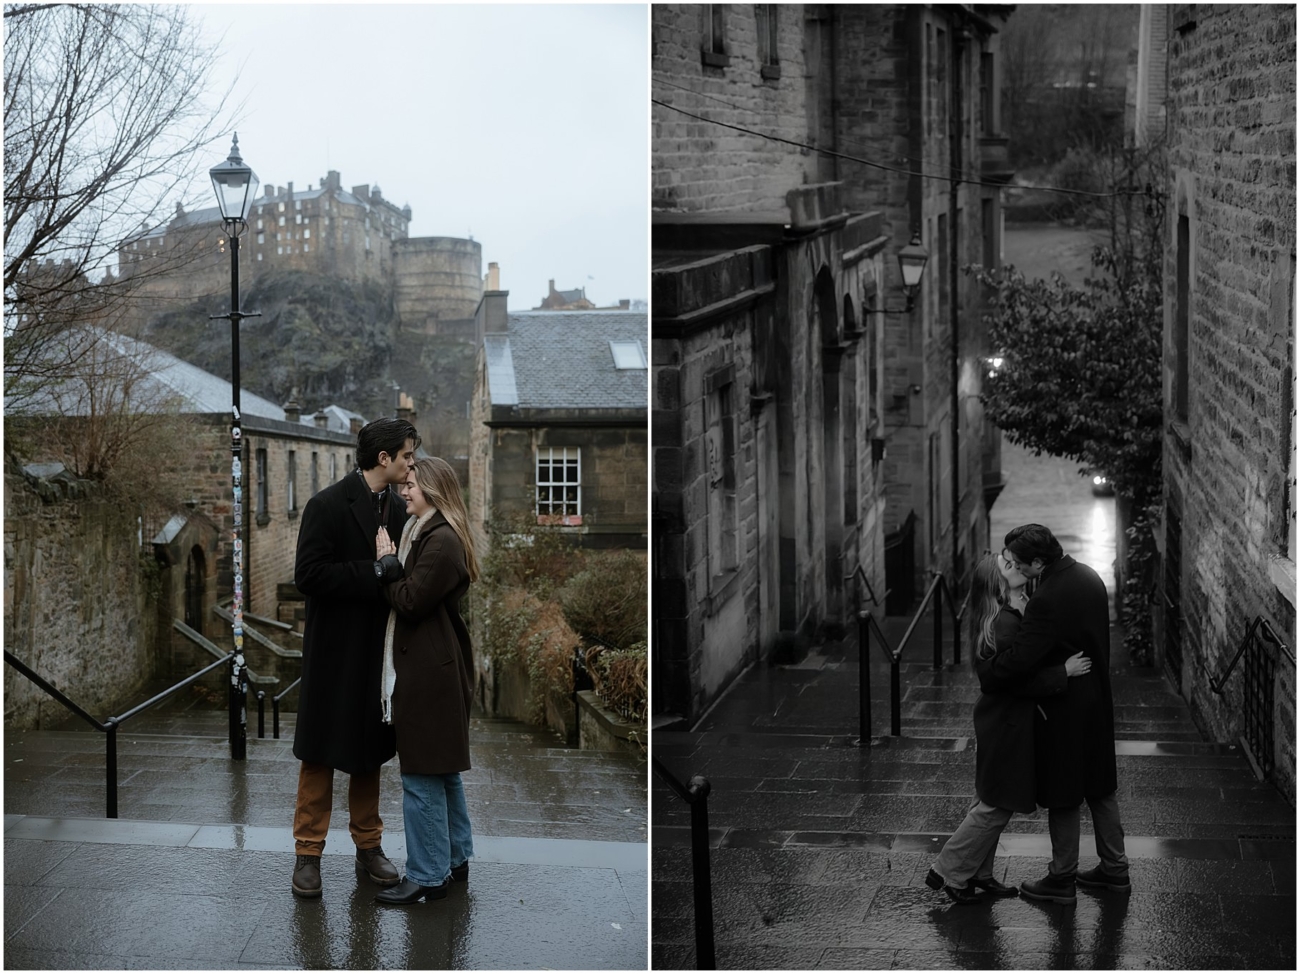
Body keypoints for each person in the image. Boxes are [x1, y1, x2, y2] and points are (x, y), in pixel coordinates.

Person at [289, 417, 419, 899]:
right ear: (383, 458)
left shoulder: (405, 509)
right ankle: (308, 853)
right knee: (319, 754)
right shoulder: (326, 504)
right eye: (406, 454)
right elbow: (309, 574)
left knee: (368, 753)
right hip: (332, 651)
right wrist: (375, 571)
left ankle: (369, 848)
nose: (411, 463)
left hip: (378, 651)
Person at [926, 553, 1092, 904]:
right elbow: (1011, 679)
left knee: (989, 797)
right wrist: (1063, 672)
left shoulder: (1018, 604)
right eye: (1007, 566)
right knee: (997, 803)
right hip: (1006, 721)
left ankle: (979, 874)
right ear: (996, 583)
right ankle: (949, 870)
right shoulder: (1003, 623)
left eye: (1015, 562)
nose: (1016, 566)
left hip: (1005, 718)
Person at [980, 523, 1131, 905]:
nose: (1012, 566)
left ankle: (1061, 878)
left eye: (1017, 561)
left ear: (1037, 561)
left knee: (1064, 793)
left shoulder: (1047, 597)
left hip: (1063, 705)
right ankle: (1115, 870)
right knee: (1100, 787)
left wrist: (990, 672)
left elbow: (1020, 659)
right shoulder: (1089, 576)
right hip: (1096, 699)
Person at [371, 456, 479, 905]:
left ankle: (427, 875)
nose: (404, 491)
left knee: (420, 777)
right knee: (442, 772)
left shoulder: (440, 542)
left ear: (434, 489)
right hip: (435, 666)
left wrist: (387, 564)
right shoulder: (432, 533)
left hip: (429, 675)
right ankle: (454, 858)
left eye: (412, 485)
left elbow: (411, 600)